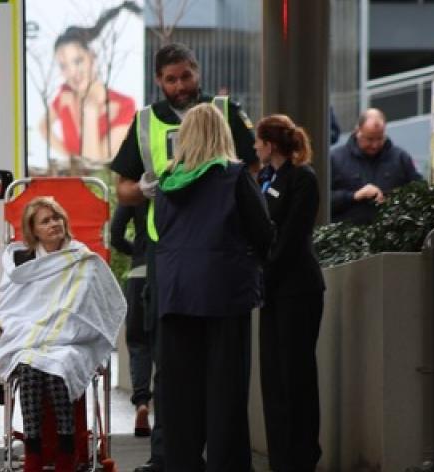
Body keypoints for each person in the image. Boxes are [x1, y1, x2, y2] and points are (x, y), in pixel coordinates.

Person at [109, 42, 259, 472]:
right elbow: (122, 186)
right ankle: (168, 458)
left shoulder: (224, 111)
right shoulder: (144, 123)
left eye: (185, 77)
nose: (179, 86)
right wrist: (144, 191)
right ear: (159, 80)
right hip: (167, 252)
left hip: (219, 251)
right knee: (171, 368)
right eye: (171, 79)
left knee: (222, 372)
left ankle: (219, 460)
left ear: (197, 70)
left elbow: (250, 169)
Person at [152, 103, 274, 471]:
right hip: (223, 295)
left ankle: (181, 463)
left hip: (174, 295)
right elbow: (263, 231)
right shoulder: (233, 176)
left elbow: (160, 230)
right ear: (222, 134)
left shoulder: (166, 182)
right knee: (226, 392)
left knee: (180, 394)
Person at [0, 197, 126, 472]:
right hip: (29, 336)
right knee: (29, 366)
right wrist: (33, 329)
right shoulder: (20, 263)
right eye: (46, 221)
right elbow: (12, 306)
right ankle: (34, 451)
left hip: (73, 339)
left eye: (57, 218)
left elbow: (94, 304)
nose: (54, 224)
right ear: (34, 231)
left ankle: (67, 451)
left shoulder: (83, 259)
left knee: (58, 366)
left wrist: (64, 329)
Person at [255, 115, 326, 471]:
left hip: (298, 289)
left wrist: (265, 273)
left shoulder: (302, 178)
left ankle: (302, 456)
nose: (255, 148)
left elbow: (292, 238)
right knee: (273, 375)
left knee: (296, 375)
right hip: (272, 292)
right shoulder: (265, 180)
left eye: (258, 141)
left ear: (269, 144)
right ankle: (280, 457)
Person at [37, 2, 140, 171]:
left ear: (92, 56)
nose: (72, 72)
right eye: (63, 66)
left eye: (78, 61)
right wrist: (69, 158)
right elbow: (43, 126)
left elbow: (95, 167)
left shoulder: (124, 105)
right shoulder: (65, 95)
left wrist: (90, 112)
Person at [330, 108, 424, 224]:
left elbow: (420, 193)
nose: (374, 145)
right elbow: (323, 201)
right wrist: (353, 196)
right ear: (357, 132)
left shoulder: (400, 158)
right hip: (346, 234)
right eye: (369, 139)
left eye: (379, 138)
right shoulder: (335, 159)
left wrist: (393, 200)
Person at [109, 202, 153, 436]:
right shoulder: (181, 177)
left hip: (139, 272)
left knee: (138, 344)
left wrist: (136, 250)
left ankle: (142, 403)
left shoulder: (134, 187)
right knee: (166, 346)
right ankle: (168, 415)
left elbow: (115, 234)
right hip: (169, 271)